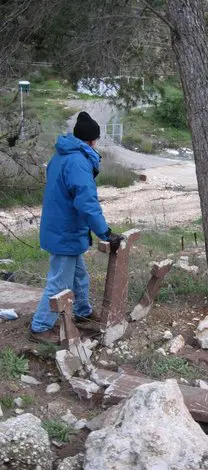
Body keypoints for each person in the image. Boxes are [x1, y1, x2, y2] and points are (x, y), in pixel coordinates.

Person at [31, 111, 122, 344]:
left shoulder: (61, 156)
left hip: (62, 227)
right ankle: (40, 327)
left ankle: (82, 311)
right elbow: (86, 202)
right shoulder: (78, 162)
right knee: (60, 281)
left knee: (79, 275)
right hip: (65, 231)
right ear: (92, 140)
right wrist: (105, 232)